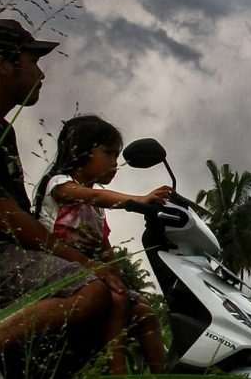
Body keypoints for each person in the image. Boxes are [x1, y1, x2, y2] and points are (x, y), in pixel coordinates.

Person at [0, 18, 127, 375]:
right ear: (3, 64)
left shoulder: (4, 133)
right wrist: (81, 261)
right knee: (88, 290)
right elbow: (7, 216)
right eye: (32, 62)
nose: (41, 75)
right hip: (2, 253)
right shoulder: (62, 184)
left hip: (14, 253)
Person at [33, 114, 171, 373]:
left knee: (146, 314)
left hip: (86, 272)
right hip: (53, 267)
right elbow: (94, 195)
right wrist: (138, 200)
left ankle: (164, 374)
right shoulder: (60, 184)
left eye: (117, 156)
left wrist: (118, 275)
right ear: (80, 151)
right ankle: (115, 370)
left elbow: (104, 245)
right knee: (117, 301)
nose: (115, 163)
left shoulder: (96, 211)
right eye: (108, 153)